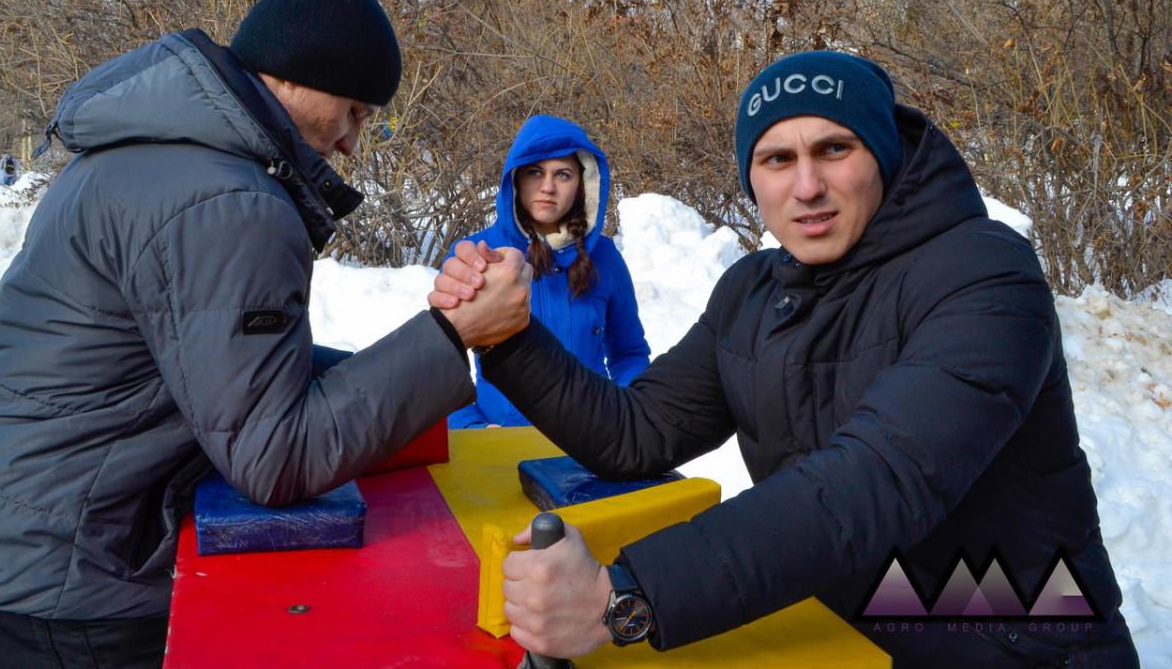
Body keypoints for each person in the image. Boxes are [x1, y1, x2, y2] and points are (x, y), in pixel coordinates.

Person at [432, 51, 1139, 667]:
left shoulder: (985, 273)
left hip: (1017, 638)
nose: (806, 187)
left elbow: (880, 479)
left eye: (834, 150)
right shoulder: (754, 292)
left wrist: (628, 595)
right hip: (837, 629)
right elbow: (636, 432)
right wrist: (509, 336)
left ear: (884, 156)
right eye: (777, 159)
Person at [0, 0, 530, 669]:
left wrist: (420, 352)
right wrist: (453, 335)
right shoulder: (230, 203)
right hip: (76, 577)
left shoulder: (149, 156)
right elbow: (276, 456)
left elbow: (218, 371)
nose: (353, 141)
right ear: (296, 77)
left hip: (32, 533)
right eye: (353, 109)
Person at [448, 114, 650, 428]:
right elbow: (443, 363)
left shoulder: (605, 257)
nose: (547, 187)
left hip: (593, 443)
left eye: (563, 175)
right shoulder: (478, 254)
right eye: (535, 172)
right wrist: (471, 428)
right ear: (515, 179)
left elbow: (630, 353)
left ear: (583, 184)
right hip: (496, 446)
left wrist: (620, 416)